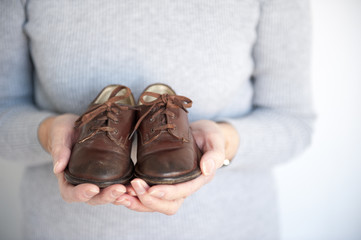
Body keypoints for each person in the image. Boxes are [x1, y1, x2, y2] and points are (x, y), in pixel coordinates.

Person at [0, 0, 314, 239]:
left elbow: (292, 122)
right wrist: (48, 133)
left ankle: (159, 122)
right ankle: (113, 123)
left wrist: (225, 142)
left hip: (229, 227)